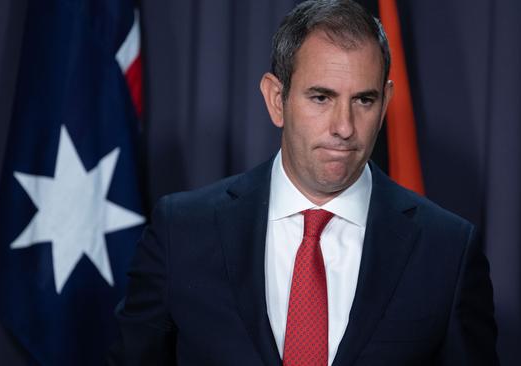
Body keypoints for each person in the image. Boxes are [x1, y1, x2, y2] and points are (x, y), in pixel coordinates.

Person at [110, 1, 498, 365]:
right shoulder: (183, 231)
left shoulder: (446, 250)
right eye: (321, 98)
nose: (344, 127)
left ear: (385, 103)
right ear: (277, 99)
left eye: (363, 100)